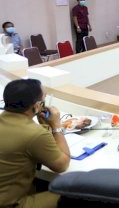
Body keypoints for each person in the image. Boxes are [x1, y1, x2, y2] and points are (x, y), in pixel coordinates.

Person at [0, 79, 71, 208]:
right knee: (76, 195)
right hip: (10, 204)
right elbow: (62, 165)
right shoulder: (35, 133)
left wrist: (44, 127)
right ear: (37, 106)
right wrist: (56, 125)